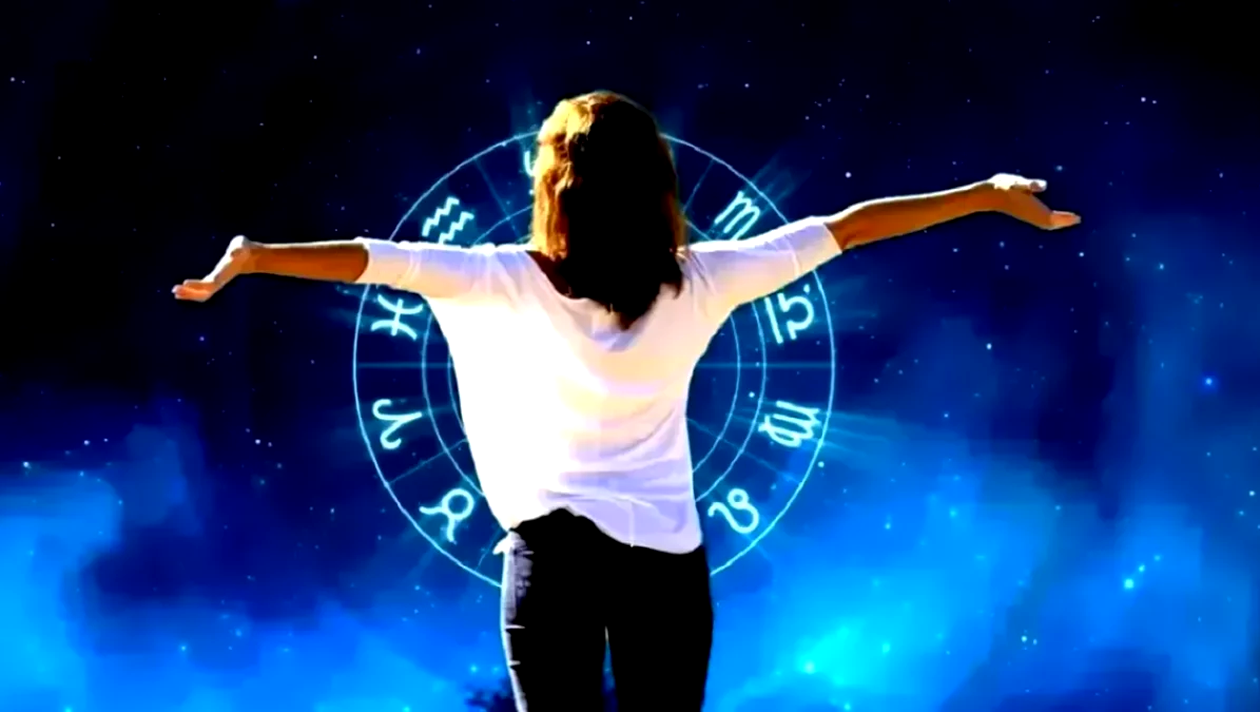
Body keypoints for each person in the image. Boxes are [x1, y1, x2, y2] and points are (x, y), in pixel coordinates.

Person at [174, 91, 1079, 711]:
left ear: (553, 187)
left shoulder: (492, 279)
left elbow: (368, 259)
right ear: (655, 185)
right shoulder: (704, 279)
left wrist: (253, 258)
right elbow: (845, 229)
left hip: (552, 561)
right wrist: (984, 196)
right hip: (667, 567)